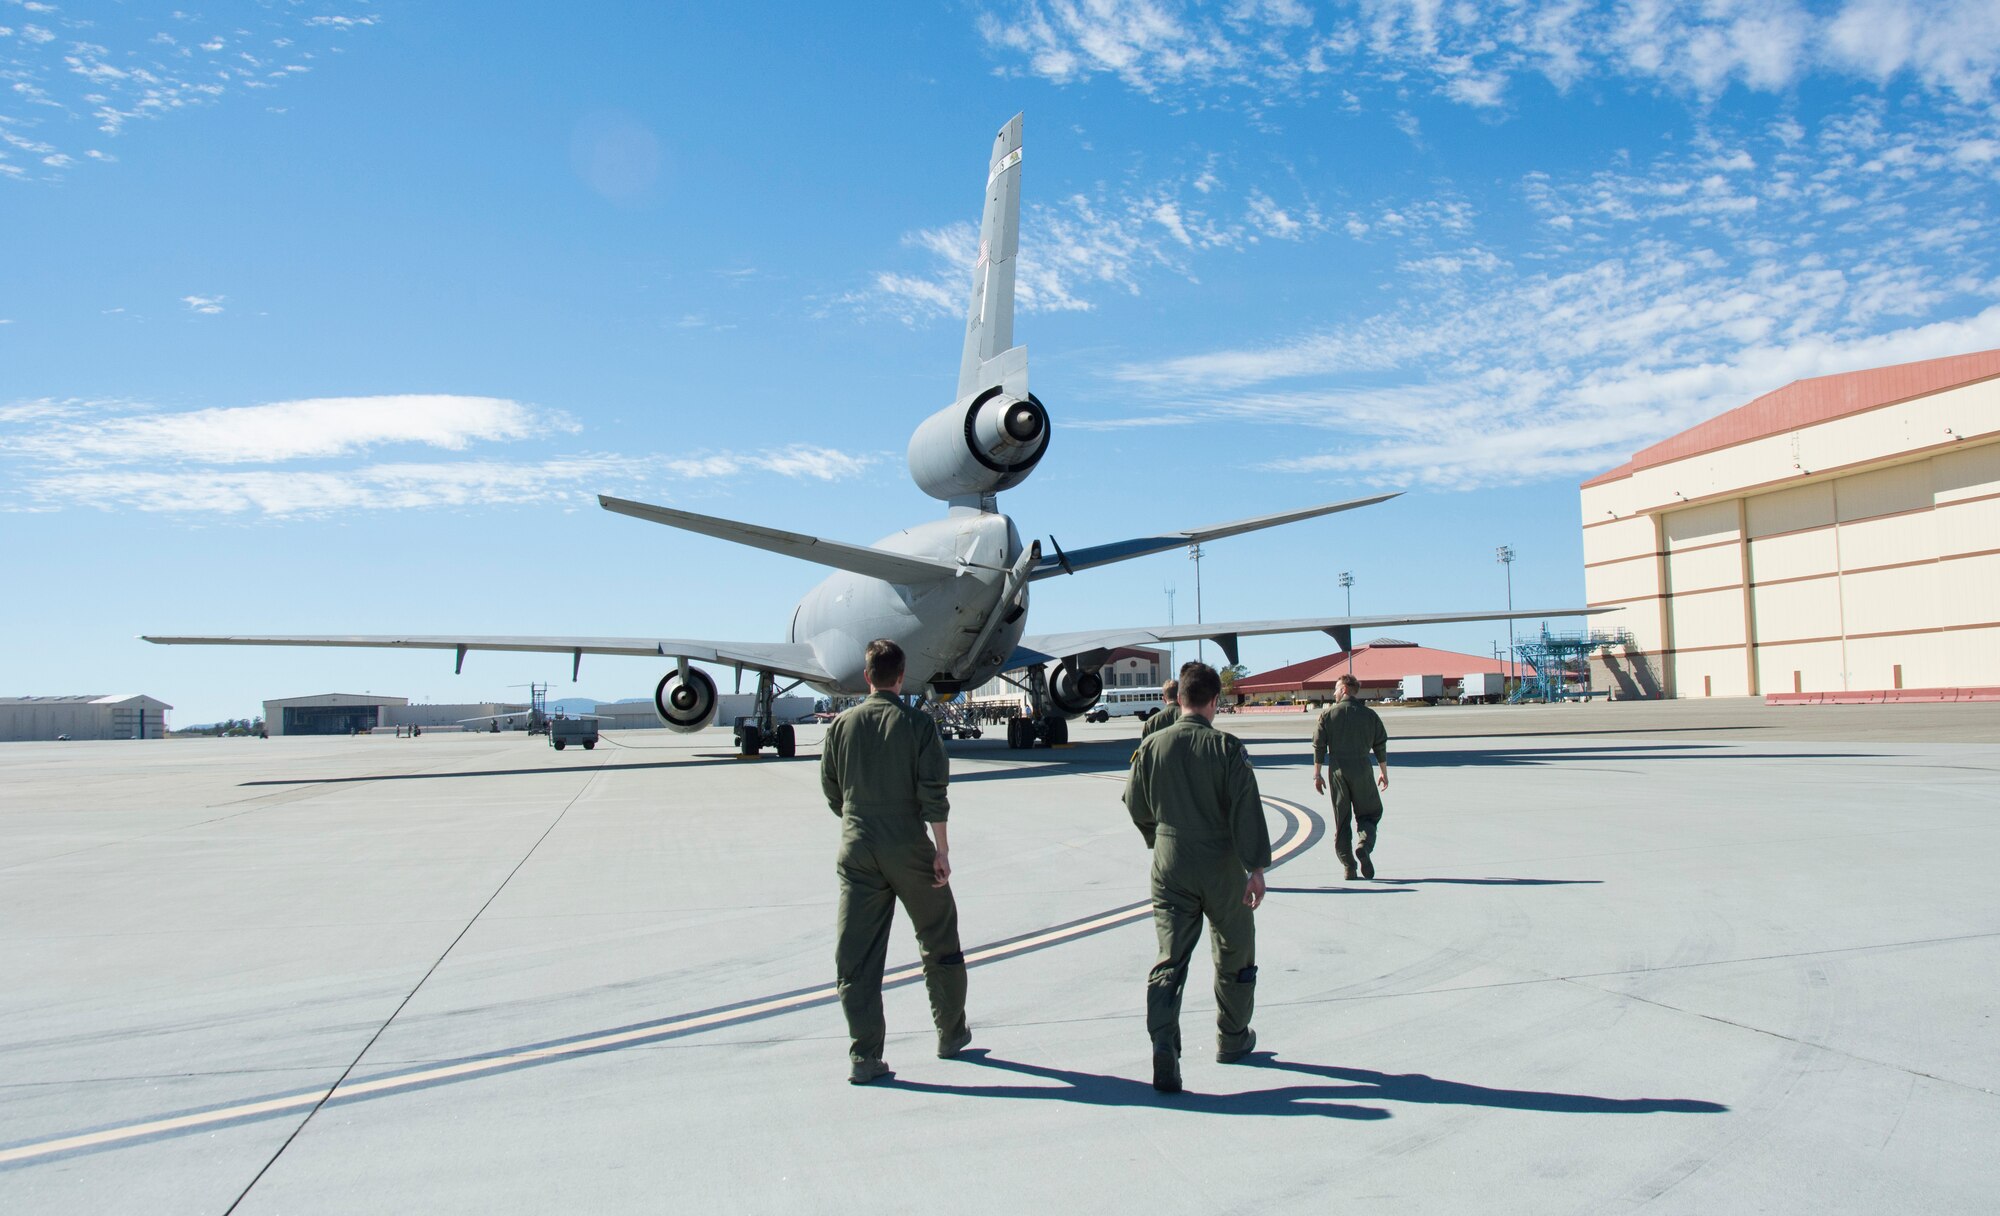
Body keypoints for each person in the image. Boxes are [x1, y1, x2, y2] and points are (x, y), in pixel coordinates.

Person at [820, 638, 970, 1085]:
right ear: (902, 677)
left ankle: (865, 1055)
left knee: (857, 954)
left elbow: (832, 789)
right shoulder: (918, 725)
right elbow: (934, 793)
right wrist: (941, 850)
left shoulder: (841, 726)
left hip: (857, 846)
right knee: (939, 936)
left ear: (867, 676)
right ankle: (950, 1033)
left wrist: (860, 819)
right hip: (908, 845)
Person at [1122, 661, 1271, 1093]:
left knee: (1170, 957)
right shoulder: (1226, 748)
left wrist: (1158, 838)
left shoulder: (1153, 745)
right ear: (1214, 701)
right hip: (1220, 864)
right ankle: (1232, 1037)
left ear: (1180, 698)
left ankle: (1164, 1044)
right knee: (1234, 950)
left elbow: (1133, 801)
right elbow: (1247, 811)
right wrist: (1255, 868)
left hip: (1170, 861)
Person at [1311, 673, 1389, 880]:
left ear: (1344, 689)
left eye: (1336, 688)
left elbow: (1319, 746)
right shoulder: (1370, 715)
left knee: (1342, 820)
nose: (1334, 693)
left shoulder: (1327, 715)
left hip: (1337, 771)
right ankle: (1364, 844)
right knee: (1370, 814)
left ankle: (1348, 866)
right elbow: (1380, 745)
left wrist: (1317, 775)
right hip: (1363, 769)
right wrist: (1383, 772)